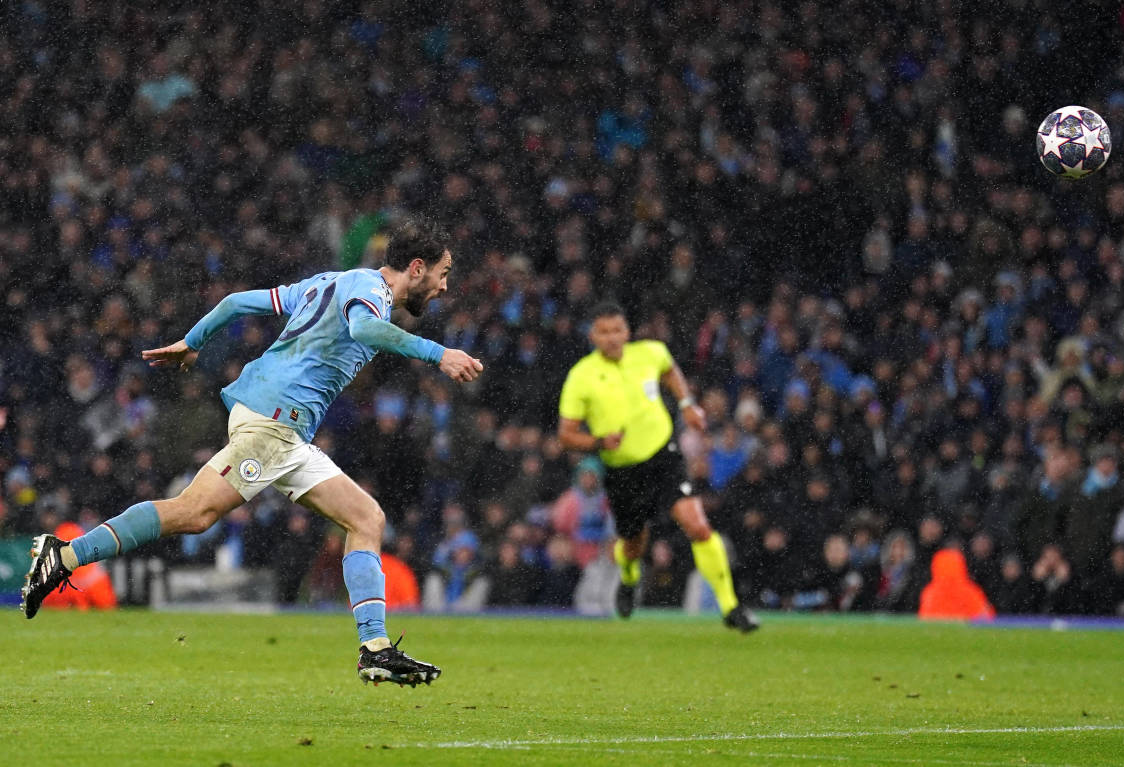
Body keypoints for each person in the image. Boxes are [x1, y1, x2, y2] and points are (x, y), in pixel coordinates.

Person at [21, 216, 483, 688]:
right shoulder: (372, 294)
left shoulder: (327, 281)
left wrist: (191, 342)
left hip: (283, 429)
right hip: (273, 424)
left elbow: (237, 301)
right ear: (418, 267)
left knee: (366, 518)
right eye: (444, 274)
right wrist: (437, 353)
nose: (446, 286)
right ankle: (65, 556)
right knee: (193, 513)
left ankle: (376, 650)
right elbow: (364, 329)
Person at [556, 301, 758, 631]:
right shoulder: (581, 377)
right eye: (604, 332)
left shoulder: (650, 352)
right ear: (593, 335)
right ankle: (629, 576)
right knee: (634, 544)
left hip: (664, 456)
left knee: (697, 526)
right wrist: (598, 443)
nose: (612, 337)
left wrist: (688, 404)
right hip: (622, 470)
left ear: (627, 331)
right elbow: (565, 435)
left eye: (617, 330)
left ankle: (731, 607)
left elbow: (669, 370)